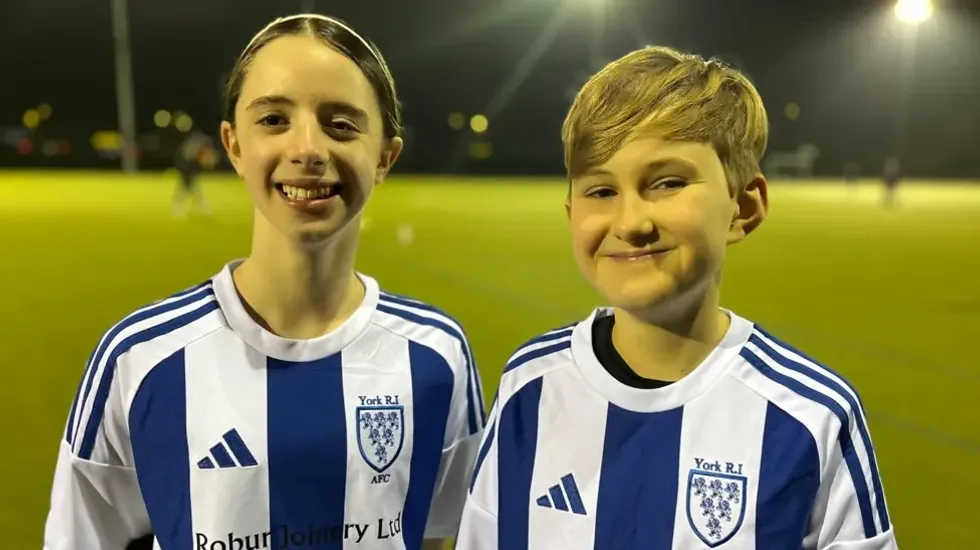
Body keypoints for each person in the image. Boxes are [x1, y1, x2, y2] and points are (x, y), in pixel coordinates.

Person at [44, 14, 485, 550]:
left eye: (341, 124)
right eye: (274, 119)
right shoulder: (139, 358)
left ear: (385, 157)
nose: (308, 149)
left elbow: (447, 531)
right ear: (232, 144)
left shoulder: (438, 353)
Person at [457, 46, 896, 549]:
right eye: (601, 191)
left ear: (743, 207)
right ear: (570, 214)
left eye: (667, 183)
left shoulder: (811, 414)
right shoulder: (529, 384)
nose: (631, 223)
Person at [172, 130, 212, 216]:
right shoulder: (196, 146)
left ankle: (181, 206)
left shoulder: (193, 144)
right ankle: (199, 205)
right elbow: (192, 157)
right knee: (188, 186)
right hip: (185, 165)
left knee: (187, 186)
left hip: (186, 164)